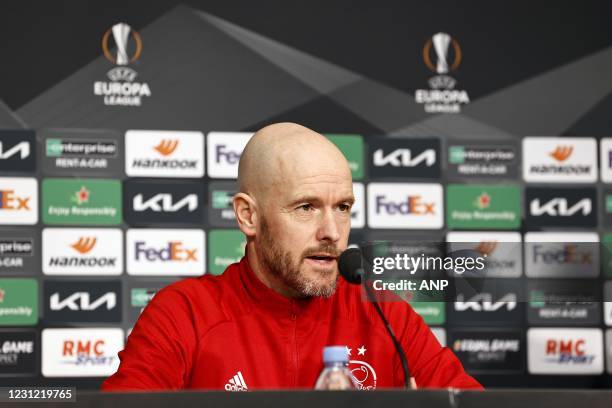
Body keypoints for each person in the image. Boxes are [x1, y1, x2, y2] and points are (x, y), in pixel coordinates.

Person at [102, 122, 482, 391]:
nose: (332, 232)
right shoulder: (184, 313)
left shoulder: (383, 311)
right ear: (248, 216)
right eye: (306, 207)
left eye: (343, 207)